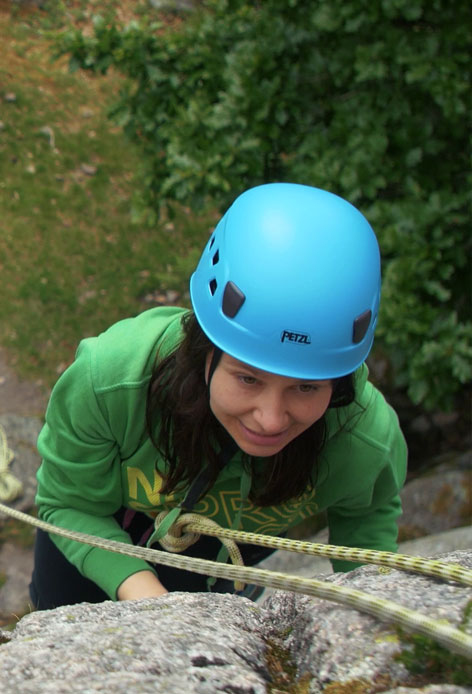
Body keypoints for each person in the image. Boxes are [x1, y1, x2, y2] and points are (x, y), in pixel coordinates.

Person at [29, 182, 407, 608]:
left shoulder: (364, 439)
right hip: (98, 533)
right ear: (204, 348)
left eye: (306, 387)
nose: (271, 419)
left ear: (337, 382)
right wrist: (149, 599)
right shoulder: (113, 381)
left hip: (220, 560)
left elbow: (366, 524)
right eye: (248, 379)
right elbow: (70, 504)